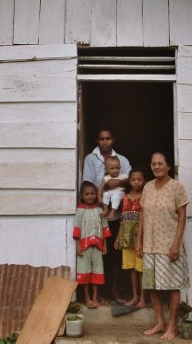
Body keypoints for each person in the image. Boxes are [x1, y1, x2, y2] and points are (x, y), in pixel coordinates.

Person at [136, 152, 189, 341]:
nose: (157, 166)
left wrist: (176, 244)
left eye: (160, 163)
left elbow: (182, 217)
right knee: (152, 285)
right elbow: (142, 215)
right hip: (149, 245)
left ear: (168, 167)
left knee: (172, 286)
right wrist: (139, 241)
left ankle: (172, 326)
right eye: (153, 164)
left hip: (168, 246)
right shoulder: (148, 187)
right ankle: (160, 322)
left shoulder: (177, 188)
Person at [82, 129, 131, 301]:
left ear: (113, 139)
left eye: (108, 138)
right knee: (97, 253)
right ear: (97, 140)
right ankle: (100, 292)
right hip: (96, 213)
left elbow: (130, 180)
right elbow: (87, 183)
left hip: (117, 215)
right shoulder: (90, 158)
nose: (105, 142)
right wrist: (104, 190)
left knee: (115, 254)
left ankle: (114, 290)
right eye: (101, 138)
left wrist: (117, 182)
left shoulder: (122, 160)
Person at [73, 181, 111, 308]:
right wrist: (78, 245)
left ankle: (95, 296)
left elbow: (105, 227)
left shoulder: (100, 210)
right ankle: (86, 297)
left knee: (97, 271)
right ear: (82, 196)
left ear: (96, 194)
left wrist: (105, 244)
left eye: (92, 194)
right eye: (87, 194)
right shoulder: (80, 210)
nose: (90, 196)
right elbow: (77, 228)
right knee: (84, 272)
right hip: (84, 247)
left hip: (98, 246)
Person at [114, 168, 146, 308]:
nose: (136, 182)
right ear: (129, 181)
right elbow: (122, 218)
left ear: (144, 181)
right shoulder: (125, 197)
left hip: (141, 238)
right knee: (131, 268)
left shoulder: (145, 196)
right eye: (133, 179)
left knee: (141, 269)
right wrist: (117, 237)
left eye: (139, 179)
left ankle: (143, 299)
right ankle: (135, 296)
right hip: (126, 238)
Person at [98, 156, 128, 220]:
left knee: (115, 197)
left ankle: (112, 213)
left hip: (120, 193)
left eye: (117, 168)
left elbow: (129, 183)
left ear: (120, 168)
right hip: (110, 192)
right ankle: (105, 210)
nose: (115, 170)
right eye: (112, 168)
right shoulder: (106, 178)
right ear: (106, 169)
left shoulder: (123, 176)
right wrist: (99, 197)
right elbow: (101, 187)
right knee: (105, 194)